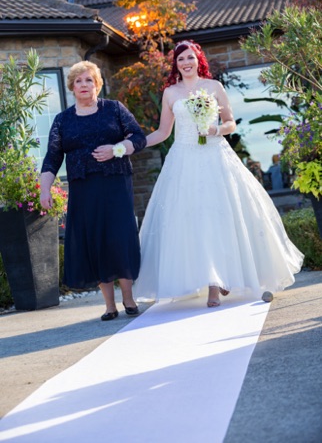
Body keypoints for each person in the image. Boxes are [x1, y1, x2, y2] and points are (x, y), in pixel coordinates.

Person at [134, 40, 303, 307]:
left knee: (220, 214)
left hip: (215, 155)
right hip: (183, 160)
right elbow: (163, 132)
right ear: (175, 65)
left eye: (189, 58)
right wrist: (133, 144)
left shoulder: (213, 87)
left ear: (198, 59)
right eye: (180, 60)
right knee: (194, 219)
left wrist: (214, 130)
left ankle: (217, 284)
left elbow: (230, 122)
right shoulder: (170, 93)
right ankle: (211, 278)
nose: (185, 63)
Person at [40, 60, 146, 321]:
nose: (84, 85)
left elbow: (138, 137)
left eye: (89, 80)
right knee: (95, 240)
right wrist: (44, 190)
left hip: (115, 184)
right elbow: (52, 157)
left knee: (119, 238)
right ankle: (109, 305)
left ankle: (129, 299)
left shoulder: (114, 109)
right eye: (79, 81)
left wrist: (116, 149)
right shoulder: (63, 120)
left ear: (97, 84)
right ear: (72, 88)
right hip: (84, 189)